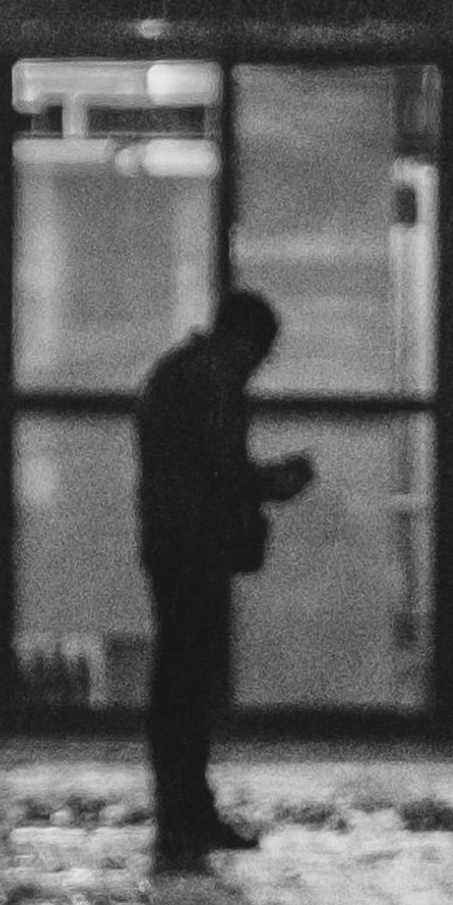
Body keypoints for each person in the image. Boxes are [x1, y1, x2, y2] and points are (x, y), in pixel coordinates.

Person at [134, 290, 312, 873]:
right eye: (261, 353)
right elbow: (220, 472)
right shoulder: (210, 382)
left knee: (180, 679)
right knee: (190, 681)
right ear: (247, 340)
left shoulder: (178, 374)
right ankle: (186, 815)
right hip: (194, 550)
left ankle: (182, 812)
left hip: (172, 545)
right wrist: (276, 481)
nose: (259, 367)